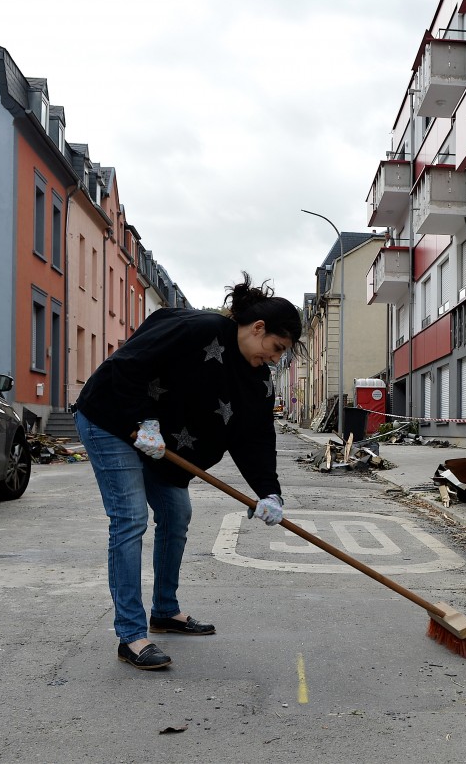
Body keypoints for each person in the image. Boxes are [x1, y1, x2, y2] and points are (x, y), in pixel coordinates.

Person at [75, 273, 304, 670]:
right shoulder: (200, 328)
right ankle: (131, 636)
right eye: (276, 347)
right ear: (257, 327)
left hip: (158, 441)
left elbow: (255, 439)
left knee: (176, 512)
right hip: (111, 419)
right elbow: (128, 364)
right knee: (130, 518)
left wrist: (269, 492)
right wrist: (143, 421)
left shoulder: (257, 381)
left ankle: (165, 611)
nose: (275, 359)